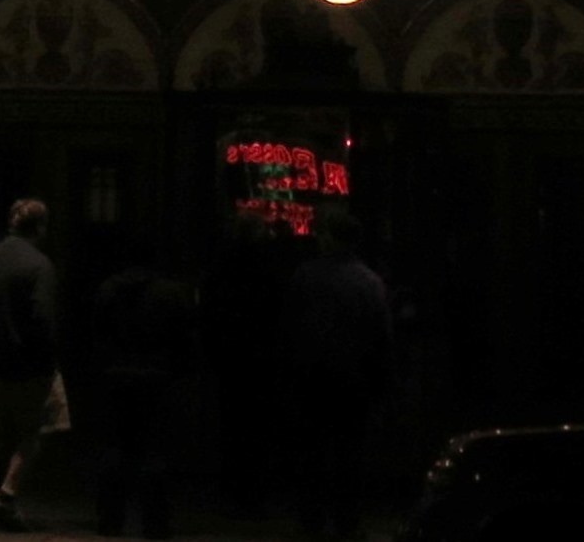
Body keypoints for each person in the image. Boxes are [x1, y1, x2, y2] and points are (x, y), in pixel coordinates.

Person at [283, 210, 392, 541]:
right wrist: (382, 382)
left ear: (330, 238)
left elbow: (289, 329)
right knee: (350, 456)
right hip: (354, 380)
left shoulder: (306, 276)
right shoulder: (370, 281)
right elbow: (381, 338)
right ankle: (347, 521)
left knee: (311, 454)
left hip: (312, 377)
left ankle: (311, 520)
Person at [0, 197, 64, 532]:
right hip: (28, 364)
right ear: (42, 227)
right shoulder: (40, 265)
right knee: (37, 428)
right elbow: (43, 318)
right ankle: (6, 494)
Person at [89, 235, 198, 539]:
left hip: (116, 376)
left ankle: (110, 519)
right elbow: (185, 338)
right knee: (155, 450)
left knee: (114, 447)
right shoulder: (171, 292)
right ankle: (155, 521)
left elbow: (96, 334)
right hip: (157, 378)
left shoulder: (109, 289)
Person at [201, 214, 285, 516]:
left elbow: (210, 307)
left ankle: (231, 487)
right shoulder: (271, 267)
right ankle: (254, 492)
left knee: (231, 423)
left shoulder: (223, 265)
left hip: (230, 355)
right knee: (258, 426)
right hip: (262, 356)